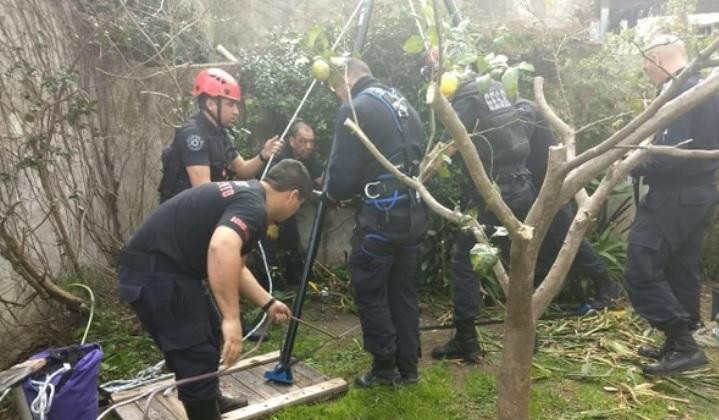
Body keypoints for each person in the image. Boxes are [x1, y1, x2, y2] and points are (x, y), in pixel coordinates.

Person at [118, 160, 313, 419]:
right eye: (299, 207)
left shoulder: (249, 196)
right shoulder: (253, 206)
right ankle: (204, 410)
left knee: (209, 330)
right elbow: (221, 248)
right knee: (195, 355)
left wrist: (267, 303)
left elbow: (235, 266)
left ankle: (212, 400)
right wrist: (232, 318)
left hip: (172, 271)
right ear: (293, 196)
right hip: (156, 274)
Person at [326, 58, 428, 386]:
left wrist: (331, 190)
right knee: (402, 290)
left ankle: (385, 369)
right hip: (412, 211)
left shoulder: (356, 108)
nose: (339, 97)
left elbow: (340, 180)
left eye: (336, 89)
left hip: (382, 215)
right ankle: (408, 368)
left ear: (346, 79)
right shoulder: (402, 103)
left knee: (370, 288)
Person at [623, 35, 719, 375]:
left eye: (646, 62)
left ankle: (683, 344)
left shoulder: (683, 92)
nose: (644, 69)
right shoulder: (707, 88)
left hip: (675, 196)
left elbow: (671, 153)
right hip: (701, 191)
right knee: (681, 265)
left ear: (659, 58)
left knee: (640, 264)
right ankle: (678, 342)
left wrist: (632, 163)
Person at [431, 74, 535, 363]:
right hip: (522, 185)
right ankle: (529, 336)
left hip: (495, 191)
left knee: (464, 259)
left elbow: (447, 146)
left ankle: (466, 341)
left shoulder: (466, 97)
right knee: (518, 262)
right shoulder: (494, 88)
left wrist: (418, 177)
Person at [515, 98, 622, 312]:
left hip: (552, 188)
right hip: (536, 188)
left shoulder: (523, 108)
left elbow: (519, 141)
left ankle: (607, 286)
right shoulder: (519, 109)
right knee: (541, 242)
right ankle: (540, 294)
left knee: (567, 237)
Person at [158, 67, 282, 202]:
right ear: (211, 104)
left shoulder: (219, 133)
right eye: (231, 104)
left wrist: (263, 155)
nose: (236, 112)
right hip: (184, 217)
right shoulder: (193, 135)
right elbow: (203, 190)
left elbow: (242, 170)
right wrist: (241, 192)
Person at [259, 121, 324, 289]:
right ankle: (271, 283)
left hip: (289, 210)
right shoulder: (278, 155)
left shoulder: (311, 158)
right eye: (303, 141)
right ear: (291, 140)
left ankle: (295, 277)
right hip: (268, 209)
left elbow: (322, 181)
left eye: (311, 141)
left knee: (291, 239)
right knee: (268, 243)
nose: (308, 146)